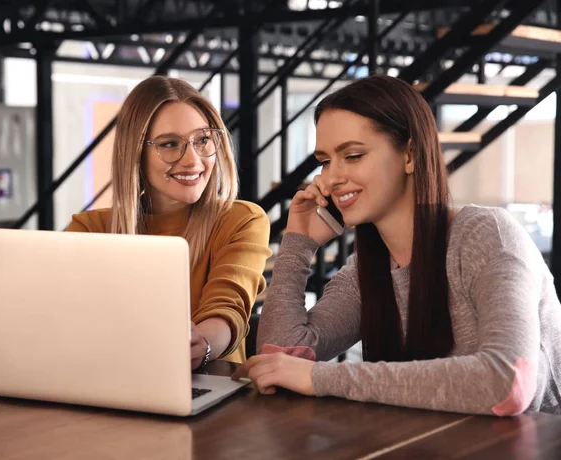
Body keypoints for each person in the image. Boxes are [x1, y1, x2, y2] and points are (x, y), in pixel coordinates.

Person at [232, 75, 561, 416]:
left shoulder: (486, 235)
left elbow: (507, 383)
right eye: (326, 161)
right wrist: (298, 242)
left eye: (353, 155)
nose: (330, 178)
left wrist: (321, 378)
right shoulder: (366, 270)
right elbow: (280, 359)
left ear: (410, 155)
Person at [67, 76, 271, 369]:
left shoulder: (241, 220)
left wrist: (203, 345)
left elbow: (228, 308)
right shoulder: (89, 229)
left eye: (203, 140)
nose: (192, 159)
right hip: (111, 381)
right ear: (136, 153)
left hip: (213, 392)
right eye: (170, 144)